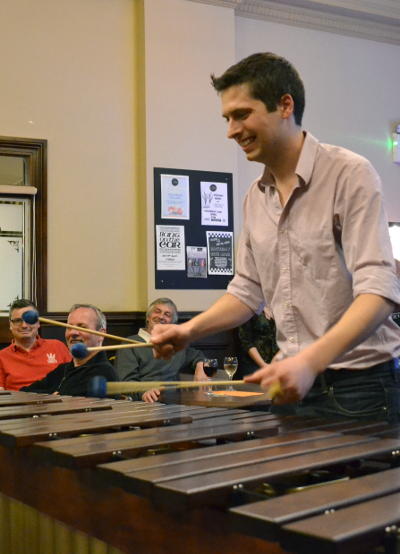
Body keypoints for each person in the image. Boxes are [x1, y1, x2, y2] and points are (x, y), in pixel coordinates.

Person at [151, 52, 400, 422]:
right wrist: (188, 330)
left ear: (285, 105)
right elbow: (246, 292)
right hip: (291, 387)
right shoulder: (255, 197)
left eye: (241, 114)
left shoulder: (349, 174)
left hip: (360, 388)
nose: (231, 130)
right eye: (227, 118)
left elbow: (379, 291)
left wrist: (309, 362)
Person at [115, 298, 207, 402]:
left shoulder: (175, 346)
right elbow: (126, 382)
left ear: (172, 323)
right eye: (157, 311)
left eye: (167, 314)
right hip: (143, 406)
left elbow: (197, 355)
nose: (161, 317)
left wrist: (200, 367)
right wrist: (144, 392)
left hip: (174, 408)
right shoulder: (129, 344)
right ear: (148, 317)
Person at [21, 303, 117, 396]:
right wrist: (49, 397)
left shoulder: (103, 374)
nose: (73, 333)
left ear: (101, 334)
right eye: (69, 327)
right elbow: (24, 393)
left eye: (82, 327)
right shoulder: (62, 370)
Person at [0, 298, 71, 390]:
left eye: (29, 320)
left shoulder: (58, 346)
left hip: (56, 402)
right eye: (18, 321)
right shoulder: (1, 357)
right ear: (10, 325)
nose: (24, 325)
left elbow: (72, 378)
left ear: (38, 323)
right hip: (19, 403)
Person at [238, 307, 278, 376]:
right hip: (253, 363)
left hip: (277, 362)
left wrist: (274, 363)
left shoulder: (279, 307)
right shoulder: (250, 308)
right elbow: (246, 342)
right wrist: (265, 366)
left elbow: (286, 338)